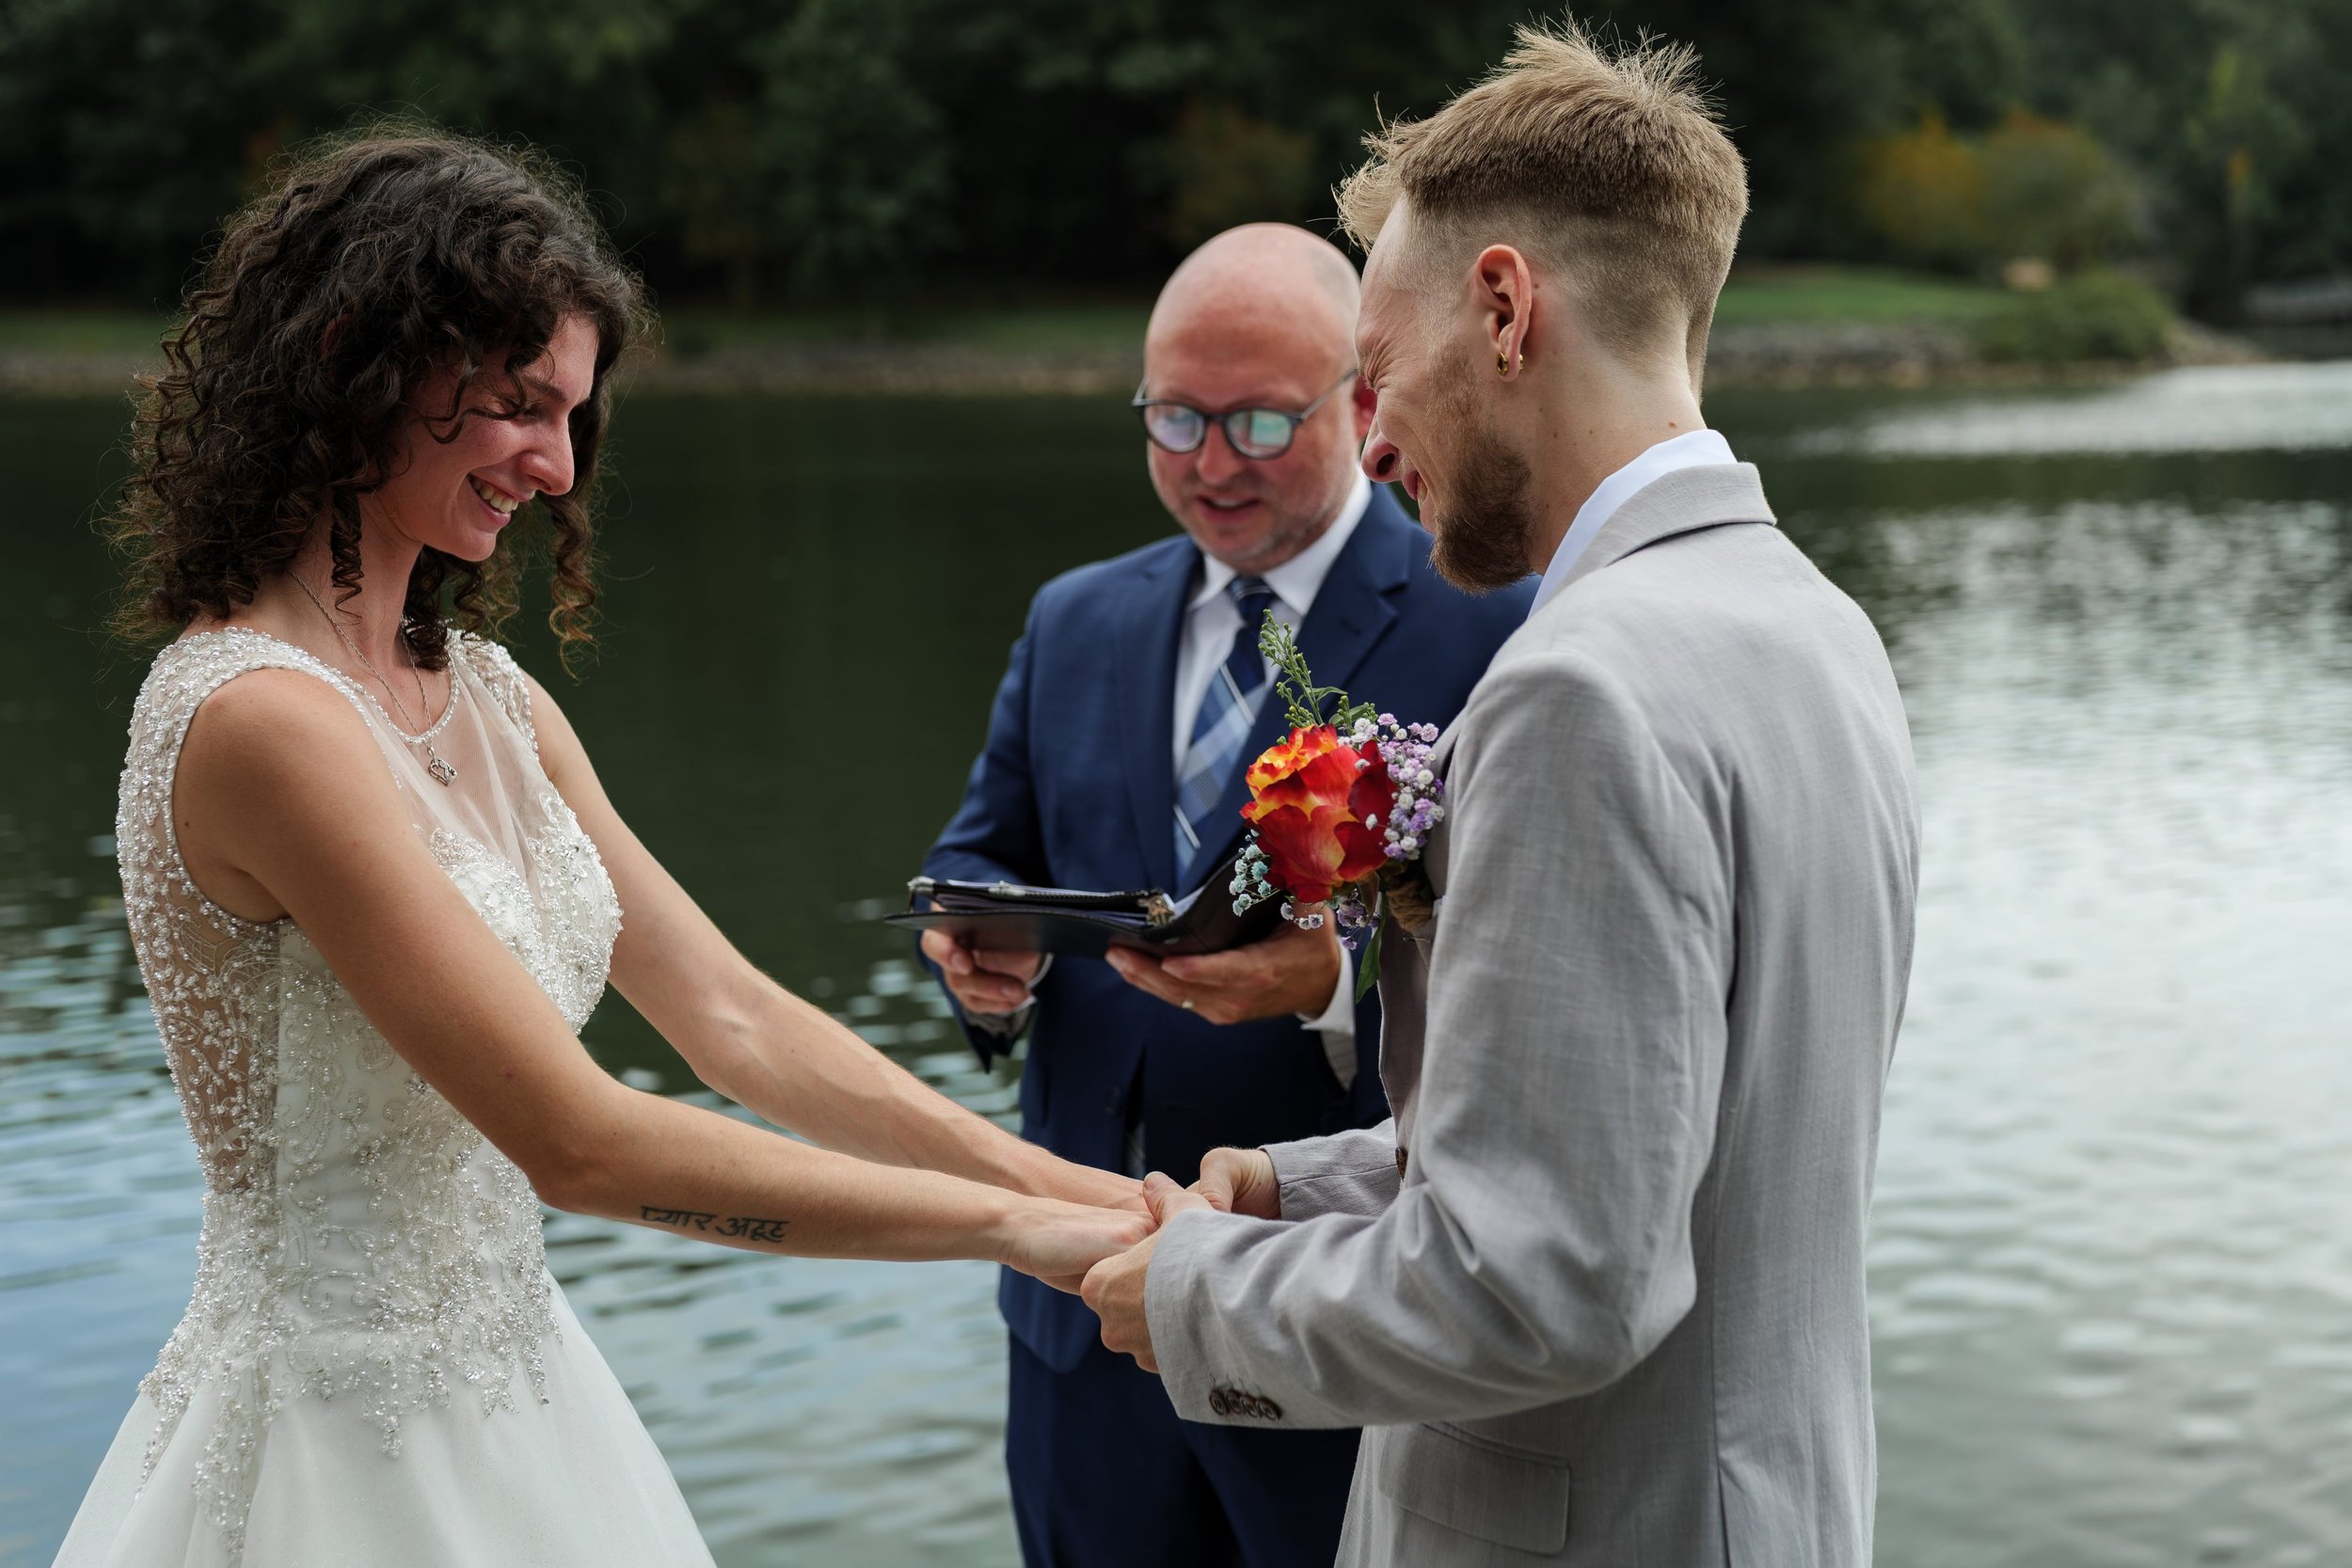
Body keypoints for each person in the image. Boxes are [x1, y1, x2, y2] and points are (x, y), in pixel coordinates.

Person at [53, 129, 1150, 1568]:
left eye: (572, 416)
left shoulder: (495, 703)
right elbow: (576, 1141)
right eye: (517, 405)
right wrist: (1015, 1238)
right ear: (354, 362)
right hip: (340, 1455)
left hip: (523, 1400)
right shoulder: (261, 720)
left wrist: (1083, 1190)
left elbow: (738, 1020)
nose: (557, 466)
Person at [1083, 24, 1920, 1568]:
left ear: (1505, 309)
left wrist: (1195, 1292)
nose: (1376, 433)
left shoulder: (1576, 690)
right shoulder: (1815, 623)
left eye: (1381, 372)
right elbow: (1657, 1134)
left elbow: (1546, 1285)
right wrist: (1292, 1188)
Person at [919, 223, 1532, 1567]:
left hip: (1334, 1317)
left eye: (1258, 419)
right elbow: (983, 855)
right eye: (1175, 419)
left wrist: (1332, 982)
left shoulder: (1495, 621)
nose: (1210, 463)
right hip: (1080, 1313)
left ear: (1362, 404)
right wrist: (982, 966)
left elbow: (1532, 970)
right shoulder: (1074, 617)